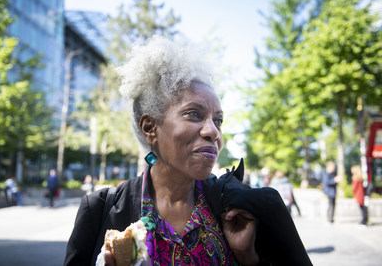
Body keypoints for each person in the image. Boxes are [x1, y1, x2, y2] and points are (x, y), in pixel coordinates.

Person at [64, 36, 311, 266]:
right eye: (194, 114)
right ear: (150, 128)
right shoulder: (99, 211)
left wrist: (247, 257)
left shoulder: (248, 210)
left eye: (218, 120)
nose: (213, 131)